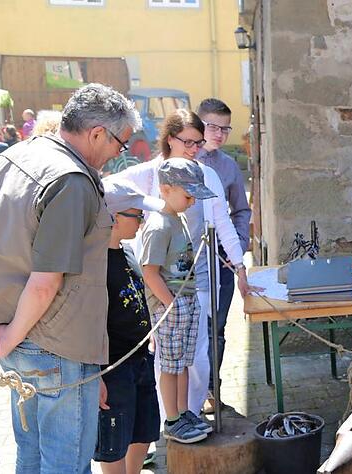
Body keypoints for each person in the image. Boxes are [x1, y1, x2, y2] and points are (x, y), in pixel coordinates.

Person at [0, 83, 139, 473]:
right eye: (120, 144)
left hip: (19, 336)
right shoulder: (71, 179)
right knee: (64, 465)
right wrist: (9, 336)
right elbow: (45, 281)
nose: (115, 156)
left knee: (31, 457)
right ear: (96, 134)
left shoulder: (17, 155)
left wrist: (5, 332)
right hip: (51, 342)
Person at [112, 109, 250, 417]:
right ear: (169, 139)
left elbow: (223, 224)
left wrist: (240, 267)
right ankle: (170, 418)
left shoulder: (206, 174)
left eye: (198, 143)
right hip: (161, 286)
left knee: (197, 357)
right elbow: (107, 190)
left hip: (199, 280)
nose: (194, 149)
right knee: (165, 357)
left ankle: (191, 413)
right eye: (187, 141)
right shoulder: (148, 173)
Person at [139, 158, 216, 444]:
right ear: (165, 189)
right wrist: (169, 303)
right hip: (171, 304)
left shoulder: (178, 219)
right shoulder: (159, 225)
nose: (192, 201)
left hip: (187, 298)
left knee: (183, 362)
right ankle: (171, 419)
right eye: (187, 195)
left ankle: (184, 413)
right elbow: (149, 272)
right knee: (170, 365)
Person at [95, 179, 165, 473]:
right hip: (113, 367)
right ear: (113, 217)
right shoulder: (94, 263)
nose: (141, 220)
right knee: (114, 442)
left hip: (140, 358)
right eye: (136, 214)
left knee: (143, 431)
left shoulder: (128, 251)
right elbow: (89, 322)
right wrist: (95, 374)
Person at [195, 98, 252, 413]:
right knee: (193, 328)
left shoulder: (229, 166)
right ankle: (186, 397)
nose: (218, 134)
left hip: (223, 258)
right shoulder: (183, 160)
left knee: (217, 328)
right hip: (189, 261)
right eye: (212, 126)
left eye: (225, 128)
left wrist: (239, 245)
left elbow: (240, 210)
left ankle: (211, 391)